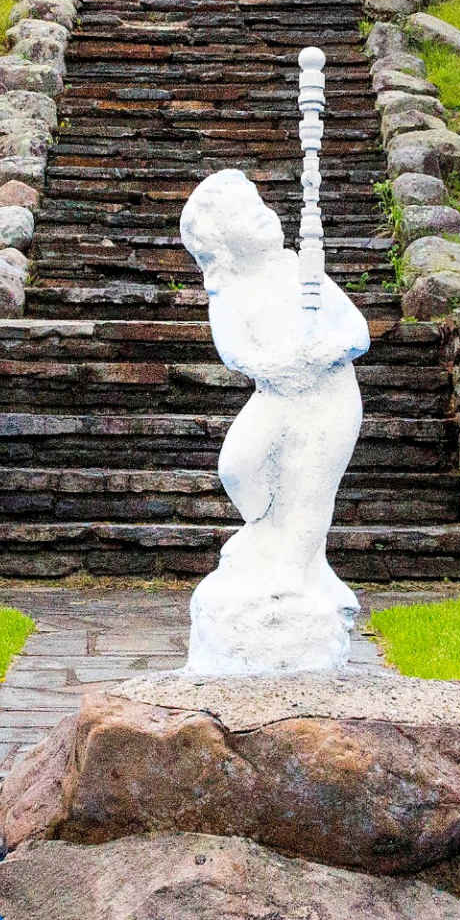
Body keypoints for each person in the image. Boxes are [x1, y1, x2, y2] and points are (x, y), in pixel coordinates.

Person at [177, 166, 372, 673]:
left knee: (310, 486)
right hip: (277, 393)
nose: (264, 217)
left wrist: (324, 350)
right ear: (222, 243)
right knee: (236, 467)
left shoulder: (299, 272)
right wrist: (277, 365)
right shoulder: (229, 293)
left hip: (329, 397)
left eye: (261, 206)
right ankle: (270, 535)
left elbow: (357, 329)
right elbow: (234, 351)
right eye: (247, 214)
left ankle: (297, 571)